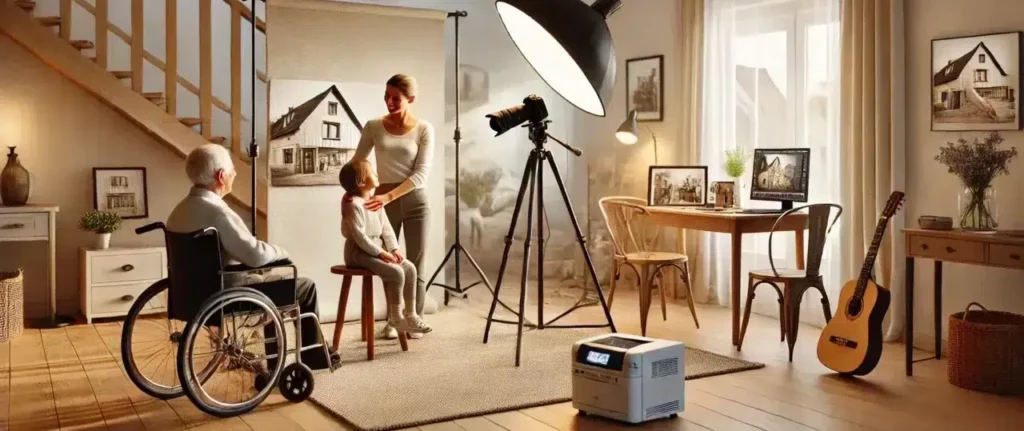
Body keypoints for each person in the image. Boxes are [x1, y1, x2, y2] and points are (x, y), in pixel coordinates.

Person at [167, 144, 339, 370]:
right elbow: (255, 256)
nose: (235, 175)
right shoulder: (218, 213)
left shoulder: (178, 211)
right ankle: (314, 356)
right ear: (221, 176)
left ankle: (288, 357)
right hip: (224, 293)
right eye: (231, 171)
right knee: (304, 287)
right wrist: (281, 251)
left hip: (189, 293)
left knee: (271, 285)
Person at [352, 73, 435, 340]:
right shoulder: (374, 126)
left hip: (414, 201)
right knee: (391, 265)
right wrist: (357, 193)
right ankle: (394, 319)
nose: (389, 101)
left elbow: (421, 174)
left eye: (395, 98)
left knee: (416, 265)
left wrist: (389, 197)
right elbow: (358, 162)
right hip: (381, 200)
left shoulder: (424, 129)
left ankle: (415, 319)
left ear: (410, 99)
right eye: (386, 96)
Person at [339, 160, 432, 335]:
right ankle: (396, 317)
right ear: (361, 182)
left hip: (376, 251)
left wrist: (394, 250)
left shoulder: (374, 202)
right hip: (357, 253)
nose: (375, 173)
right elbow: (360, 237)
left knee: (410, 268)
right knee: (396, 273)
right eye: (371, 171)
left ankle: (410, 315)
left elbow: (386, 229)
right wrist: (381, 253)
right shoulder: (352, 204)